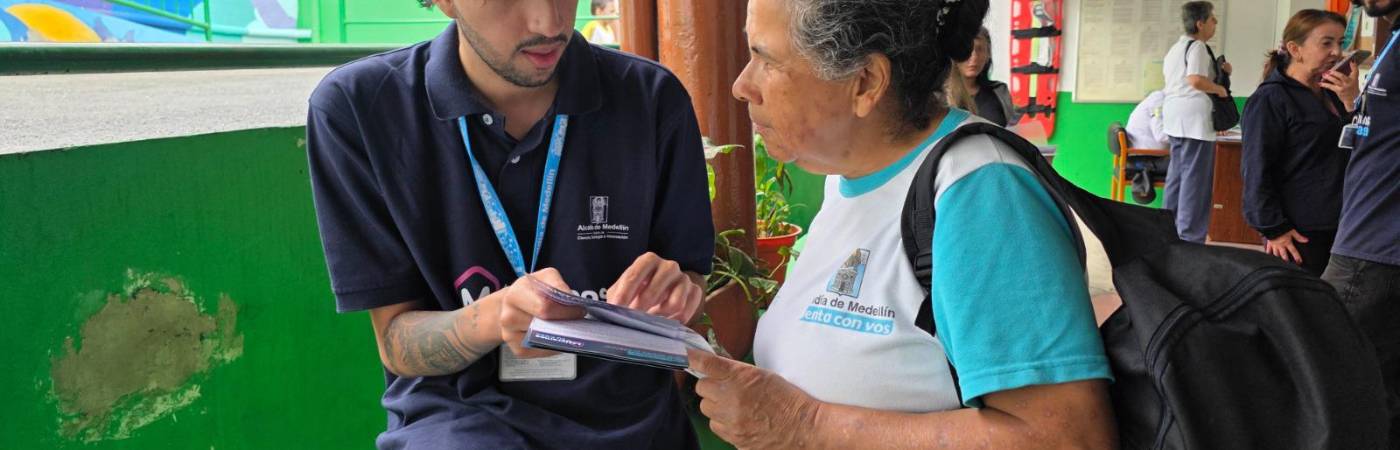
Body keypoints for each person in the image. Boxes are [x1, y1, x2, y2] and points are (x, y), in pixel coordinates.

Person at [686, 0, 1116, 448]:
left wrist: (804, 425)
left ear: (865, 82)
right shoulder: (846, 178)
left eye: (766, 59)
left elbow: (1067, 438)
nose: (741, 86)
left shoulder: (980, 192)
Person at [304, 0, 714, 448]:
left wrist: (678, 291)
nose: (549, 22)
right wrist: (498, 317)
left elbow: (689, 277)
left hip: (630, 422)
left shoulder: (653, 99)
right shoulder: (359, 109)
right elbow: (397, 342)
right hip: (460, 419)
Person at [1324, 0, 1400, 444]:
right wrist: (1354, 101)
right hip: (1364, 236)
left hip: (1374, 249)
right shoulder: (1392, 38)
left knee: (1334, 379)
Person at [1241, 10, 1357, 277]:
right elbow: (1256, 170)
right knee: (1302, 309)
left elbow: (1357, 144)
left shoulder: (1333, 93)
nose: (1337, 52)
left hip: (1339, 221)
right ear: (1295, 49)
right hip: (1297, 231)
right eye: (1326, 43)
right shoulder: (1270, 99)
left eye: (1340, 43)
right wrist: (1274, 229)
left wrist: (1352, 103)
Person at [1161, 1, 1231, 243]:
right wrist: (1220, 89)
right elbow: (1195, 80)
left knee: (1177, 175)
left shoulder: (1175, 49)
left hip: (1174, 117)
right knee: (1196, 180)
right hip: (1194, 120)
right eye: (1212, 19)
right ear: (1200, 23)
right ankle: (1190, 236)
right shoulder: (1199, 47)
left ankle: (1168, 229)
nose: (1215, 23)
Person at [952, 27, 1019, 127]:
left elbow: (1013, 132)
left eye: (980, 49)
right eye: (967, 50)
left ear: (988, 55)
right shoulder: (940, 98)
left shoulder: (999, 91)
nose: (974, 57)